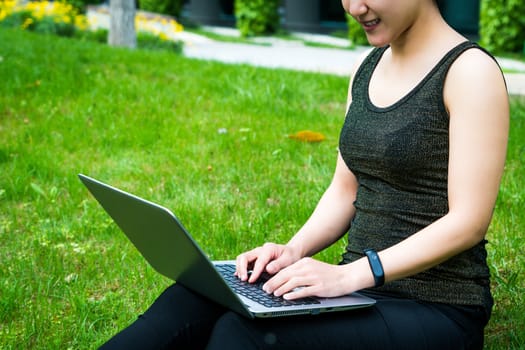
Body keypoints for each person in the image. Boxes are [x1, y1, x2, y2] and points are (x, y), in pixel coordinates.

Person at [100, 0, 509, 348]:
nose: (354, 7)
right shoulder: (368, 67)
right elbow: (343, 190)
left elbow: (468, 222)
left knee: (242, 334)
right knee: (191, 297)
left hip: (438, 308)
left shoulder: (470, 72)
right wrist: (292, 252)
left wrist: (350, 274)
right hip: (359, 293)